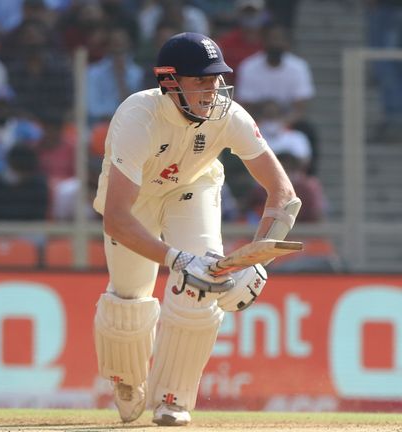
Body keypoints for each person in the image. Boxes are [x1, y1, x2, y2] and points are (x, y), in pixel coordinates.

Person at [91, 32, 300, 426]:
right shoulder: (139, 116)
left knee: (202, 283)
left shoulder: (230, 115)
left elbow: (283, 193)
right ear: (170, 82)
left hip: (193, 187)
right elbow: (117, 216)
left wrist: (258, 261)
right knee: (129, 299)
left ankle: (173, 398)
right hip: (135, 202)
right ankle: (127, 380)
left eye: (217, 79)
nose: (212, 89)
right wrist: (175, 259)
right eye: (201, 81)